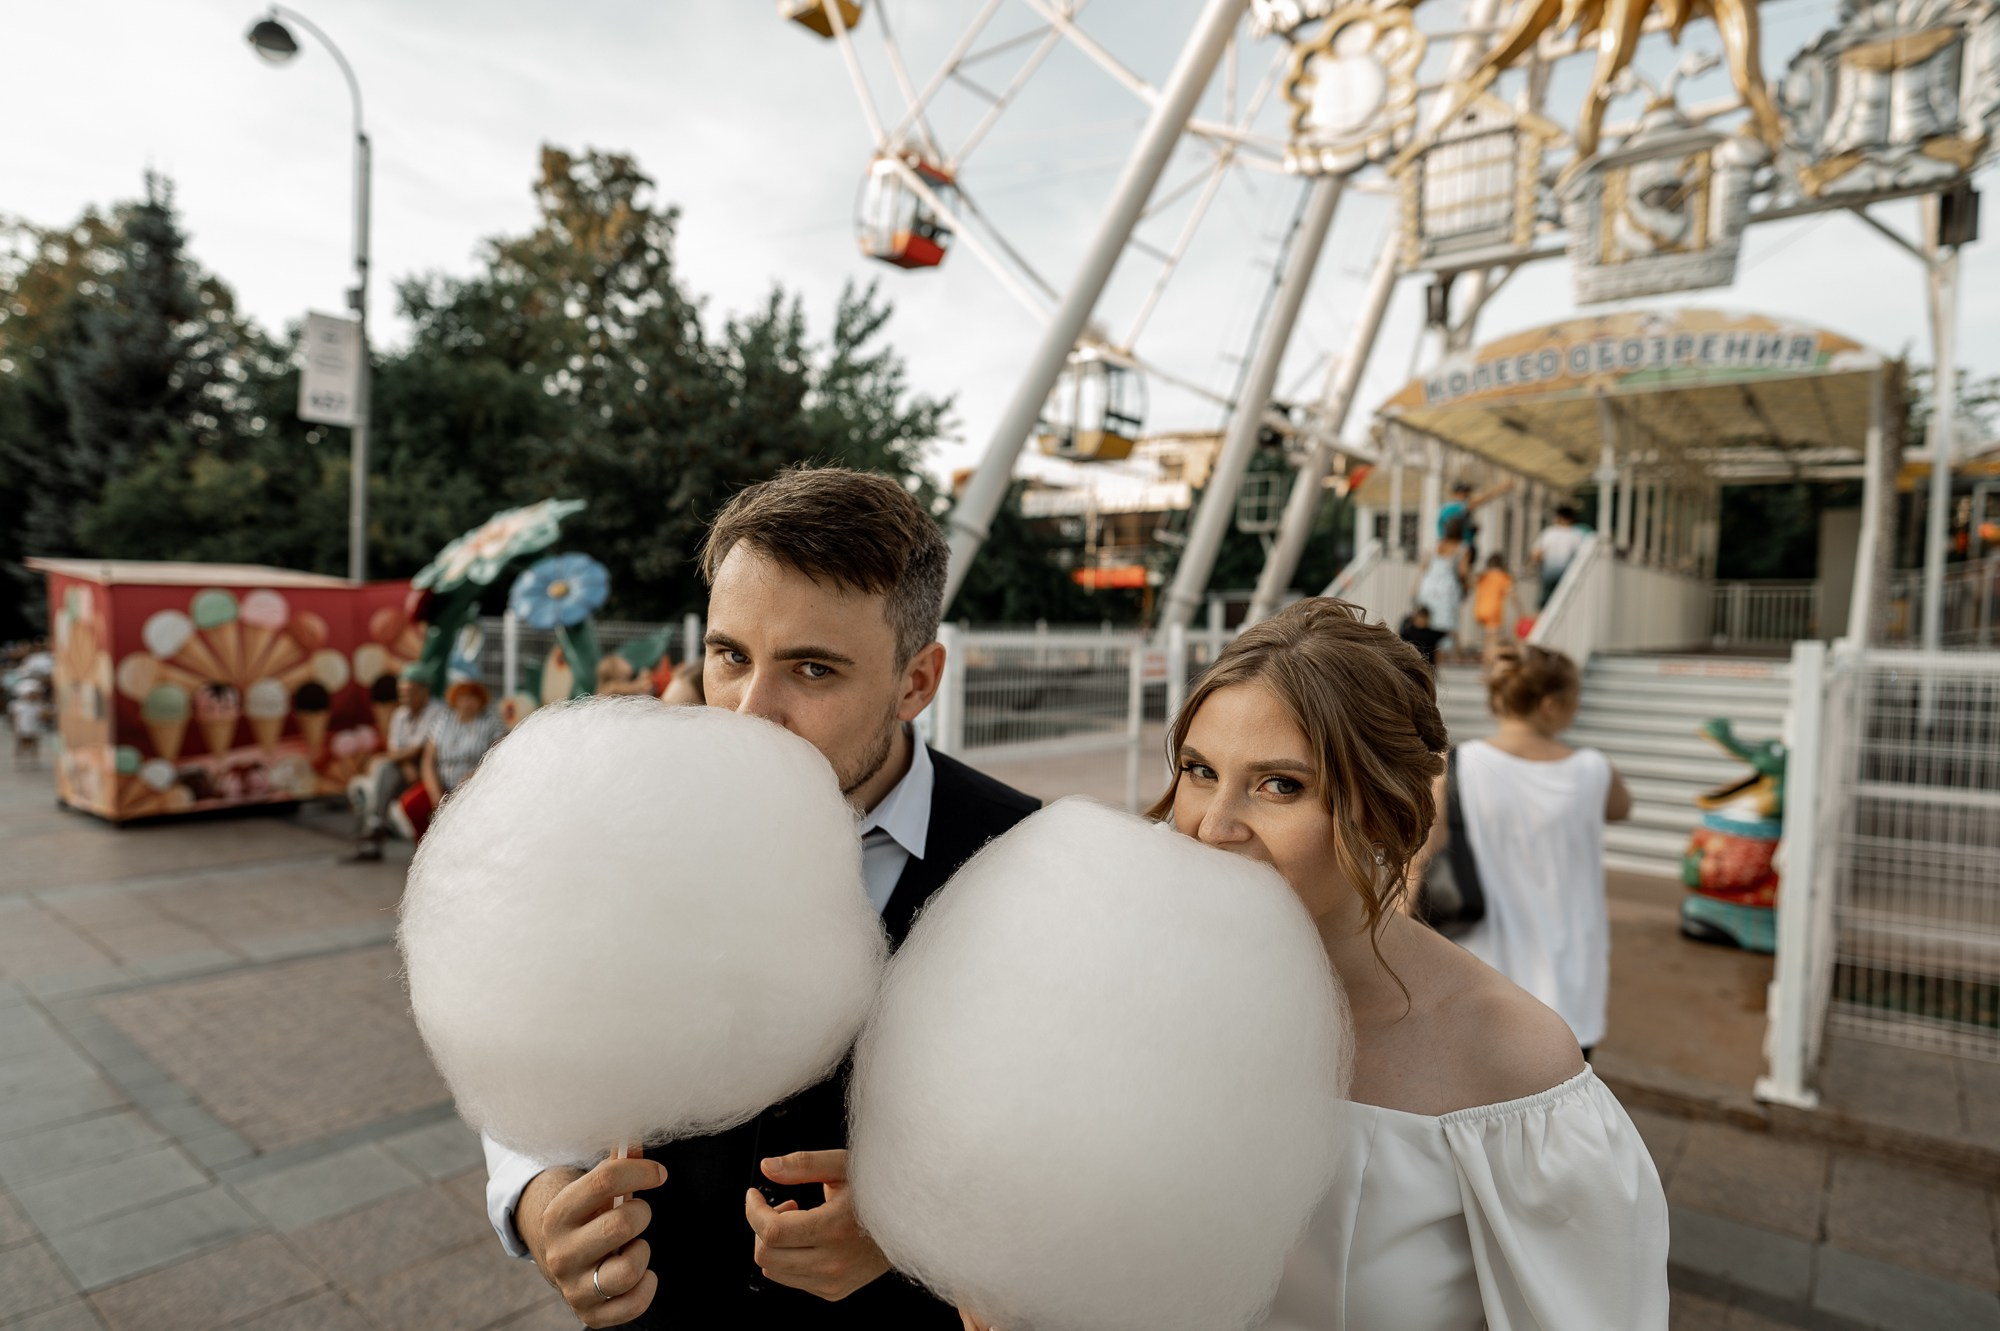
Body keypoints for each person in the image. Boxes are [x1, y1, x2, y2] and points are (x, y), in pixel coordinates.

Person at [482, 466, 1038, 1329]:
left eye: (812, 669)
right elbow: (526, 1035)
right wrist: (536, 1190)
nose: (749, 711)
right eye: (729, 655)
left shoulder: (1031, 859)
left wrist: (918, 1234)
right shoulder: (624, 818)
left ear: (917, 681)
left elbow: (1070, 1153)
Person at [1151, 599, 1666, 1330]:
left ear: (1385, 811)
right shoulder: (1143, 980)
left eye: (1281, 784)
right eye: (1199, 770)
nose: (1211, 824)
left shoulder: (1514, 1066)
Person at [1423, 645, 1634, 1062]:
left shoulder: (1456, 765)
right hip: (1573, 976)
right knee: (1565, 1102)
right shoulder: (1594, 769)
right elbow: (1621, 808)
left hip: (1484, 972)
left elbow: (1420, 862)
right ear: (1551, 705)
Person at [391, 678, 503, 843]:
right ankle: (424, 846)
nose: (467, 703)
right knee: (411, 805)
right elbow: (428, 760)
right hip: (442, 781)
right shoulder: (444, 720)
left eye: (473, 698)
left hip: (474, 785)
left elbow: (498, 755)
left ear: (481, 700)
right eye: (462, 698)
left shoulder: (491, 722)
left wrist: (473, 778)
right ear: (455, 700)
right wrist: (434, 791)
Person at [348, 669, 441, 858]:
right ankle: (376, 826)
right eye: (402, 692)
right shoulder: (400, 714)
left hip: (431, 769)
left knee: (383, 768)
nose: (405, 697)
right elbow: (395, 750)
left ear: (424, 691)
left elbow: (420, 750)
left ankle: (376, 828)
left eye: (410, 692)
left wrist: (391, 759)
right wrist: (403, 764)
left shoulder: (437, 711)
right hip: (407, 768)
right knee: (384, 771)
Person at [1414, 515, 1472, 662]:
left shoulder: (1437, 545)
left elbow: (1424, 566)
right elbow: (1463, 572)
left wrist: (1415, 586)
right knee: (1445, 626)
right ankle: (1443, 660)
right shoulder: (1462, 548)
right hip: (1446, 589)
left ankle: (1425, 657)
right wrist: (1467, 586)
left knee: (1427, 623)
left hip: (1428, 586)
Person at [1531, 504, 1586, 608]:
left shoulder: (1549, 532)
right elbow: (1581, 556)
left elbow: (1536, 554)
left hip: (1548, 571)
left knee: (1545, 602)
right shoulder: (1576, 535)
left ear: (1559, 516)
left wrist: (1535, 565)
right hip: (1566, 572)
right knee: (1563, 602)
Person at [1471, 551, 1516, 660]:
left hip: (1480, 609)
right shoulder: (1503, 576)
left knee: (1487, 638)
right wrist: (1520, 609)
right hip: (1493, 610)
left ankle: (1486, 659)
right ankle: (1489, 662)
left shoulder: (1483, 576)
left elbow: (1473, 585)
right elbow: (1511, 593)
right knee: (1493, 640)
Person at [10, 678, 46, 768]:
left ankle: (33, 760)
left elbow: (42, 716)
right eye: (29, 694)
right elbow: (15, 717)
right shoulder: (18, 705)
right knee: (21, 744)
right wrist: (16, 728)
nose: (31, 696)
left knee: (34, 743)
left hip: (34, 727)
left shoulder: (38, 705)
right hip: (22, 727)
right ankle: (18, 760)